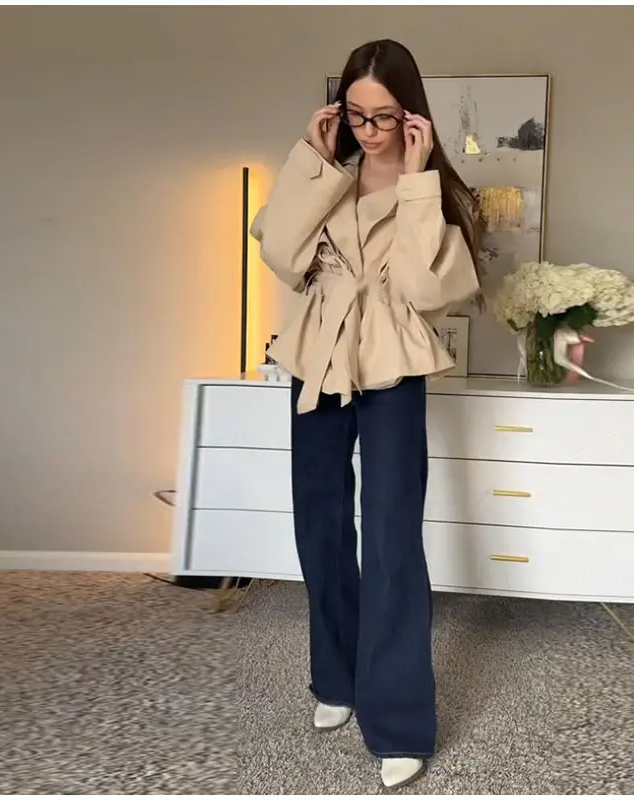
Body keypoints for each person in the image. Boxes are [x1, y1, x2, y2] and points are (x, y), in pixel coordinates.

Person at [250, 38, 483, 790]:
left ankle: (400, 722)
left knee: (390, 538)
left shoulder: (435, 192)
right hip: (317, 356)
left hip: (392, 363)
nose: (369, 129)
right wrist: (310, 162)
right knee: (319, 525)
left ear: (410, 115)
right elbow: (283, 257)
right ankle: (337, 676)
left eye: (383, 116)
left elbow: (423, 289)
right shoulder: (327, 176)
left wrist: (415, 182)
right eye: (355, 113)